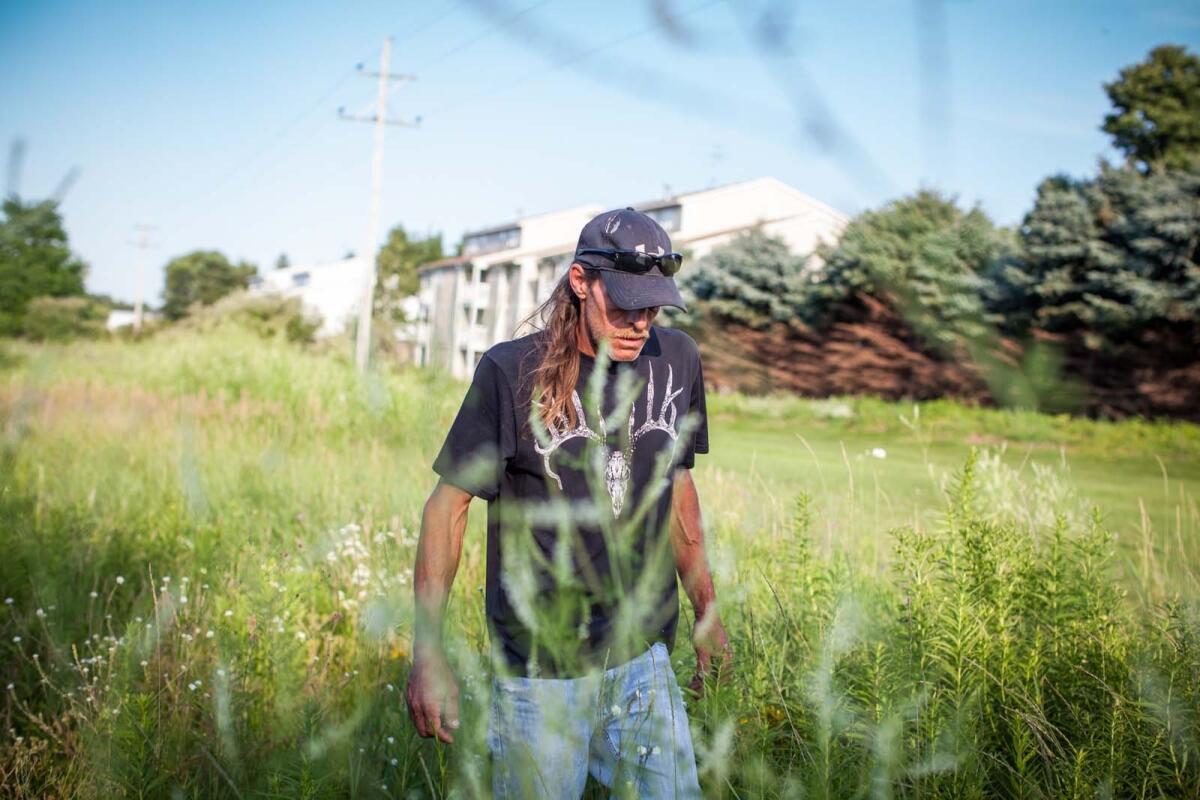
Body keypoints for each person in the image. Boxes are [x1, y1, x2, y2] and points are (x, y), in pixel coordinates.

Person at [406, 207, 731, 798]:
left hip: (644, 662)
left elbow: (678, 486)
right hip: (540, 678)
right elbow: (446, 508)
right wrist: (427, 651)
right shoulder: (512, 372)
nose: (640, 323)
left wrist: (706, 609)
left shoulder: (678, 359)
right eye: (625, 305)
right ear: (581, 282)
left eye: (653, 307)